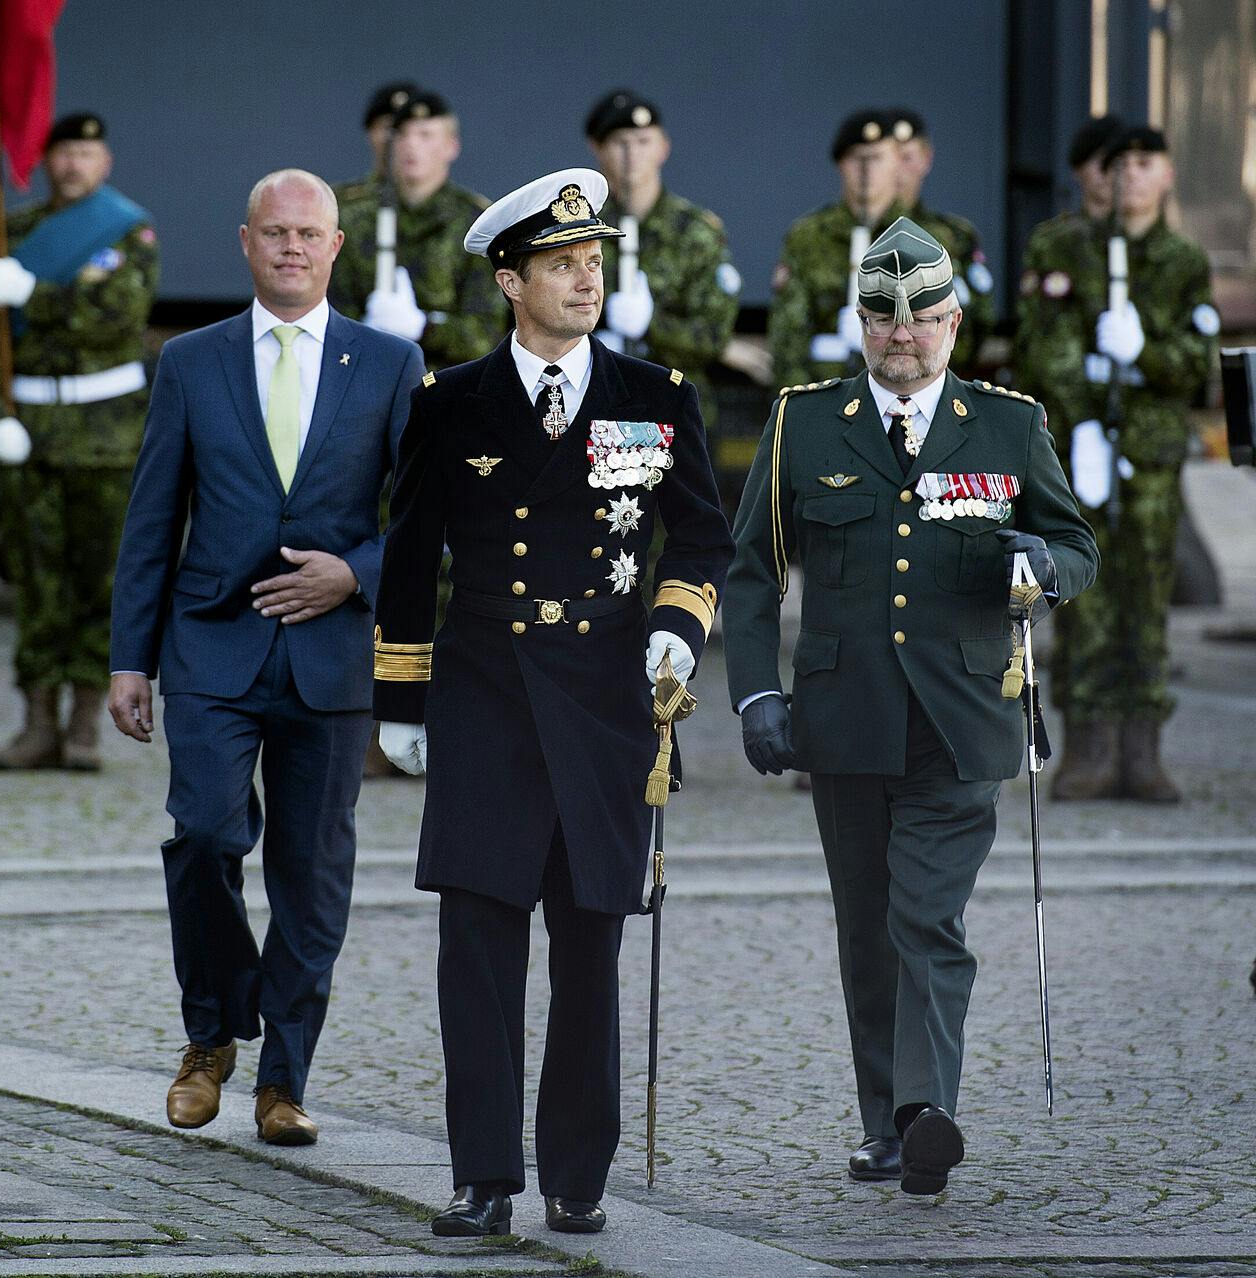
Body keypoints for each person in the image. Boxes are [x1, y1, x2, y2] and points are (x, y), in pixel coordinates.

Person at [374, 168, 731, 1237]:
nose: (586, 282)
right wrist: (402, 693)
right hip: (485, 695)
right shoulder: (451, 403)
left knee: (589, 946)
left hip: (605, 700)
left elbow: (703, 534)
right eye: (562, 266)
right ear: (509, 280)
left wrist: (676, 626)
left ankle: (579, 1173)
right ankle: (483, 1175)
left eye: (594, 265)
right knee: (476, 949)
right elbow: (410, 552)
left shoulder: (656, 398)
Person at [726, 217, 1097, 1195]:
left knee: (926, 918)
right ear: (859, 322)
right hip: (843, 717)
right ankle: (885, 1119)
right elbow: (752, 572)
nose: (904, 336)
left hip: (967, 716)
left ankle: (926, 1111)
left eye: (925, 319)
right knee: (867, 927)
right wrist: (758, 691)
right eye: (884, 320)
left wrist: (1043, 566)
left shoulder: (1009, 425)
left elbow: (1077, 546)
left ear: (956, 321)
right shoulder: (802, 422)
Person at [107, 169, 423, 1147]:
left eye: (310, 233)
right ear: (245, 243)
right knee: (202, 835)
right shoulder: (191, 362)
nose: (292, 247)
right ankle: (211, 1036)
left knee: (311, 869)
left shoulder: (390, 363)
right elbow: (153, 515)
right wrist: (130, 658)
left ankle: (282, 1078)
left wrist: (354, 575)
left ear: (337, 247)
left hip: (329, 656)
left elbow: (423, 522)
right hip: (210, 640)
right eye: (275, 233)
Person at [1017, 126, 1216, 801]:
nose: (1128, 178)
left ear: (1165, 175)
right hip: (1084, 448)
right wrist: (1087, 416)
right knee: (1086, 598)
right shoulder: (1067, 248)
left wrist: (1143, 355)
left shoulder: (1183, 259)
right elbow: (1044, 349)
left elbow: (1197, 363)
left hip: (1151, 455)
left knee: (1147, 600)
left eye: (1144, 164)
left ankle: (1143, 751)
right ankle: (1090, 749)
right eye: (1118, 165)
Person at [0, 112, 159, 772]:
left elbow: (118, 317)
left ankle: (84, 723)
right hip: (34, 435)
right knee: (36, 580)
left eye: (87, 152)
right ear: (46, 162)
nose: (75, 164)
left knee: (100, 582)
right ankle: (37, 721)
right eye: (64, 153)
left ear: (105, 162)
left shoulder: (128, 231)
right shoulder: (11, 232)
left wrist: (36, 296)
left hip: (106, 436)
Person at [581, 88, 740, 414]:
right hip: (590, 397)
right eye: (620, 143)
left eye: (643, 142)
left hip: (673, 403)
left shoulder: (696, 231)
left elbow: (713, 337)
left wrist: (652, 323)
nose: (631, 154)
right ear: (597, 148)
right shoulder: (578, 227)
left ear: (663, 148)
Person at [329, 91, 502, 370]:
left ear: (451, 146)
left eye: (425, 135)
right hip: (364, 373)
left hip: (447, 387)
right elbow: (332, 316)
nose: (411, 145)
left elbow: (487, 336)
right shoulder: (353, 217)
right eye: (402, 135)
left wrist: (424, 327)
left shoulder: (478, 222)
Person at [768, 109, 907, 395]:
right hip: (826, 394)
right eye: (857, 159)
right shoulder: (808, 236)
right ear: (841, 164)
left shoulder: (923, 238)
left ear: (897, 163)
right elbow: (787, 339)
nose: (867, 171)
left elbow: (953, 337)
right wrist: (804, 403)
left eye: (877, 158)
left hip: (903, 394)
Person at [1012, 116, 1125, 395]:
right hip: (1066, 398)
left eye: (1115, 162)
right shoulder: (1053, 241)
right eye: (1097, 161)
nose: (1105, 172)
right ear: (1078, 170)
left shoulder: (1146, 243)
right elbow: (1039, 329)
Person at [885, 109, 995, 373]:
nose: (898, 170)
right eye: (889, 158)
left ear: (926, 159)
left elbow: (979, 318)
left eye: (907, 158)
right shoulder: (851, 231)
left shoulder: (956, 235)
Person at [334, 81, 420, 202]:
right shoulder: (340, 202)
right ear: (371, 133)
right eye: (389, 128)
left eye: (405, 129)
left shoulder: (454, 207)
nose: (398, 139)